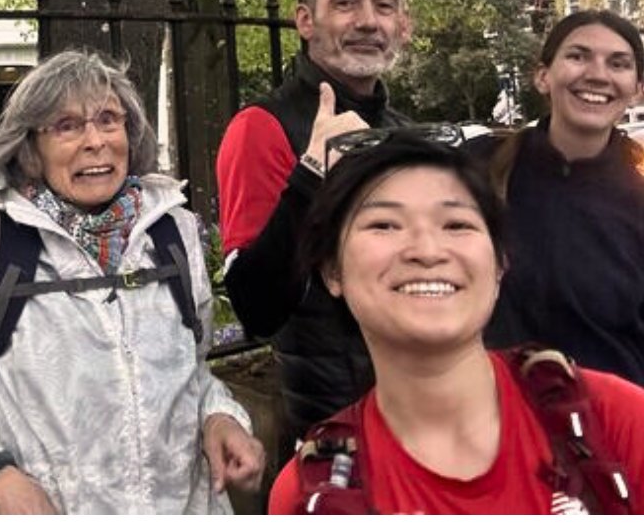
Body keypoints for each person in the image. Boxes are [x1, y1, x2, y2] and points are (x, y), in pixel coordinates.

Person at [0, 48, 265, 514]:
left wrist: (221, 417)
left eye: (109, 120)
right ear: (31, 147)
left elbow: (194, 371)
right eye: (67, 126)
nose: (95, 141)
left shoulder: (174, 232)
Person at [268, 127, 644, 514]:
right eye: (384, 225)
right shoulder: (310, 496)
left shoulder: (615, 421)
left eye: (456, 224)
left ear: (500, 264)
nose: (427, 251)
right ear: (332, 271)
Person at [215, 0, 411, 450]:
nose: (369, 20)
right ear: (305, 20)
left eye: (384, 4)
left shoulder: (404, 132)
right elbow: (257, 308)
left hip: (421, 422)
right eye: (346, 2)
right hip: (333, 437)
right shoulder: (262, 127)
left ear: (403, 25)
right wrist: (311, 176)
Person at [469, 9, 644, 385]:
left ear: (637, 89)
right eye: (578, 56)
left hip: (616, 426)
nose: (597, 74)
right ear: (543, 76)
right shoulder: (479, 169)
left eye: (619, 63)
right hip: (494, 420)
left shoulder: (638, 189)